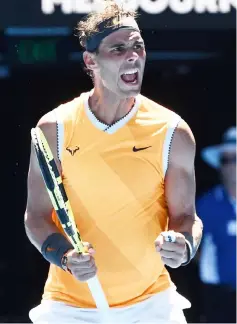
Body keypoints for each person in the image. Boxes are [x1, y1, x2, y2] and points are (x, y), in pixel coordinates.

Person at [24, 1, 203, 323]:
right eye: (118, 49)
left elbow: (186, 217)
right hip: (68, 307)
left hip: (152, 305)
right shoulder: (54, 129)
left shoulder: (173, 131)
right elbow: (36, 217)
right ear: (91, 61)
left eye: (138, 46)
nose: (132, 55)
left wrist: (184, 244)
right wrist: (63, 256)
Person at [197, 127, 236, 323]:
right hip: (220, 300)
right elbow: (193, 248)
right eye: (225, 160)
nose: (230, 166)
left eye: (235, 159)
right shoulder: (206, 203)